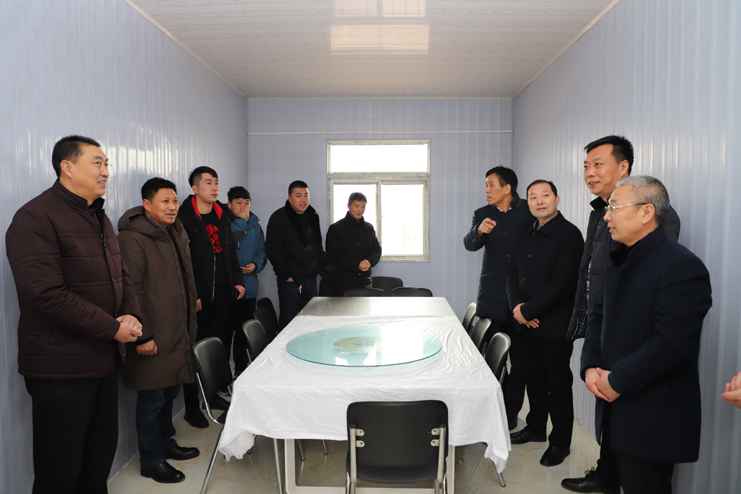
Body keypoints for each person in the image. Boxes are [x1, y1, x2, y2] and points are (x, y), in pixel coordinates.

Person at [6, 135, 142, 494]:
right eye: (97, 163)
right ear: (67, 167)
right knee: (60, 470)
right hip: (60, 368)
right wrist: (111, 328)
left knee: (98, 460)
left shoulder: (98, 215)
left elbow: (121, 276)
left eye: (107, 164)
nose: (106, 171)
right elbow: (45, 295)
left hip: (102, 360)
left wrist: (130, 314)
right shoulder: (35, 218)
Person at [562, 136, 681, 494]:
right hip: (605, 329)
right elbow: (594, 274)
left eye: (598, 164)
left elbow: (649, 281)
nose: (589, 172)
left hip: (634, 338)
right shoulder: (599, 213)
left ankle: (623, 478)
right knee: (610, 410)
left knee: (632, 416)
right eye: (586, 166)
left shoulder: (653, 216)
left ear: (623, 167)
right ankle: (608, 476)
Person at [581, 176, 712, 494]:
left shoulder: (681, 266)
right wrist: (590, 365)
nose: (607, 216)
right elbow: (598, 314)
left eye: (614, 207)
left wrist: (616, 380)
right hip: (614, 405)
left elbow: (672, 344)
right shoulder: (619, 260)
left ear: (646, 212)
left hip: (650, 415)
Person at [117, 178, 200, 484]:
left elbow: (183, 278)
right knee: (152, 400)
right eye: (165, 201)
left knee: (168, 393)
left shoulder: (173, 231)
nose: (172, 207)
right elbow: (132, 290)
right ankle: (151, 460)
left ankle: (166, 443)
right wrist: (145, 335)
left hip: (176, 329)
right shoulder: (132, 238)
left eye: (175, 201)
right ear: (147, 205)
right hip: (152, 333)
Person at [506, 180, 583, 467]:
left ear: (557, 199)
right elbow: (511, 274)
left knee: (557, 385)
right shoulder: (525, 233)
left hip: (553, 326)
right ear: (527, 203)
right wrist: (518, 309)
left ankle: (560, 443)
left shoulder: (569, 235)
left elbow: (563, 283)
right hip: (525, 323)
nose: (539, 201)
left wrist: (528, 310)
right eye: (533, 197)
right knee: (533, 379)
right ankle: (535, 428)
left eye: (545, 195)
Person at [463, 166, 534, 429]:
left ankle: (508, 413)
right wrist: (479, 231)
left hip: (521, 300)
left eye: (491, 184)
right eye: (486, 185)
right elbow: (469, 244)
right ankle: (484, 412)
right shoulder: (482, 214)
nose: (486, 190)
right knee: (490, 360)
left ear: (507, 188)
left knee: (520, 364)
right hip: (492, 297)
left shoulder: (528, 211)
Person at [178, 166, 244, 429]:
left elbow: (229, 251)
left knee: (216, 349)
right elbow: (180, 262)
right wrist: (192, 293)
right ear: (195, 188)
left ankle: (212, 395)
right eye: (208, 183)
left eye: (216, 182)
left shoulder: (222, 215)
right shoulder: (184, 217)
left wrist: (237, 280)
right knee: (194, 352)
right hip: (198, 300)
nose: (214, 187)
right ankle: (191, 408)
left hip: (223, 296)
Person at [266, 180, 332, 329]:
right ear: (289, 198)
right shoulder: (279, 217)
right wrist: (286, 275)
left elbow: (317, 244)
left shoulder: (312, 215)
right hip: (291, 281)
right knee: (289, 323)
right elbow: (273, 249)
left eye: (306, 195)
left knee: (310, 323)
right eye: (299, 195)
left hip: (312, 279)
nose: (303, 199)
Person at [227, 186, 267, 376]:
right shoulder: (226, 223)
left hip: (249, 287)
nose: (243, 208)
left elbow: (262, 251)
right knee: (227, 333)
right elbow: (231, 241)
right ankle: (222, 375)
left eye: (247, 204)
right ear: (229, 204)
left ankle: (241, 370)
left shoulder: (256, 226)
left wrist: (255, 265)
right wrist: (241, 221)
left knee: (244, 332)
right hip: (230, 288)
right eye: (239, 203)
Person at [326, 192, 382, 296]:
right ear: (349, 206)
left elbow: (377, 250)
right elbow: (333, 255)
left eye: (363, 206)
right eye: (357, 206)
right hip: (343, 285)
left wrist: (369, 261)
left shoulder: (369, 228)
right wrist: (357, 264)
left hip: (365, 283)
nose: (360, 210)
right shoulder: (336, 228)